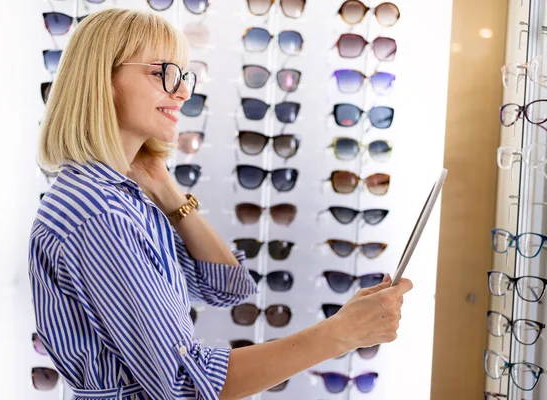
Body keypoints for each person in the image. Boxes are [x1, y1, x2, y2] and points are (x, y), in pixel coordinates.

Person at [29, 8, 413, 400]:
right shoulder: (100, 217)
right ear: (104, 79)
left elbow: (227, 286)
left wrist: (165, 189)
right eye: (163, 73)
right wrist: (340, 334)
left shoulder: (118, 198)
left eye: (183, 76)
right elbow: (183, 386)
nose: (182, 92)